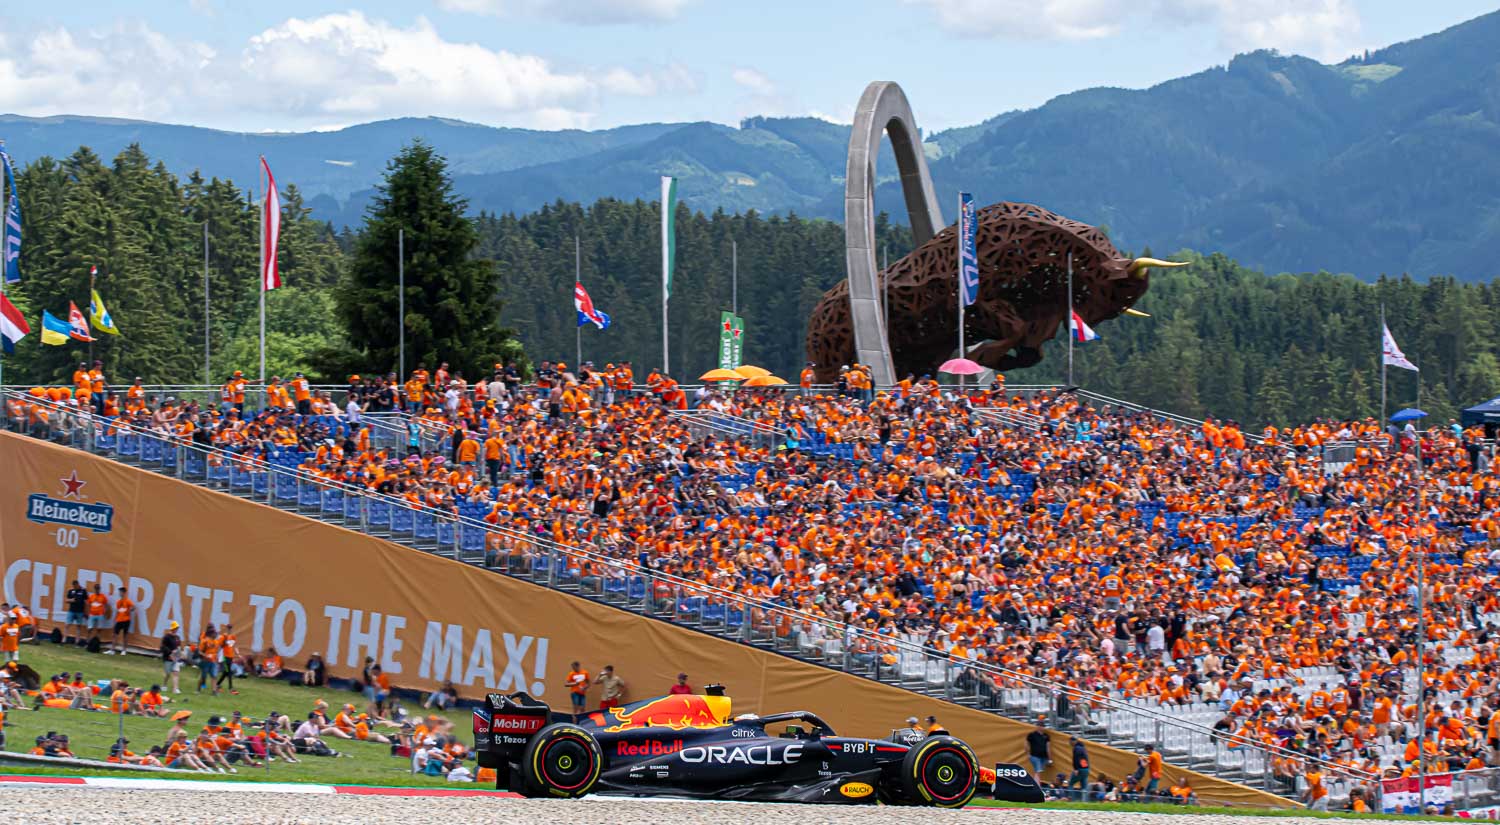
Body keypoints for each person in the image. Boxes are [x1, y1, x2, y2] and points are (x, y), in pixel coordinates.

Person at [109, 590, 133, 655]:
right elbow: (117, 611)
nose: (120, 593)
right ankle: (112, 650)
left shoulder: (128, 601)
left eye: (121, 592)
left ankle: (124, 650)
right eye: (120, 592)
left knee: (125, 635)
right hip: (119, 620)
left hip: (126, 620)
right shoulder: (118, 602)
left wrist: (130, 610)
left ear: (124, 593)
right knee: (114, 634)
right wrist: (114, 620)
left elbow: (133, 607)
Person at [63, 580, 88, 645]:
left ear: (78, 584)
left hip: (80, 611)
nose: (74, 587)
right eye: (73, 586)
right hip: (71, 610)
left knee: (78, 626)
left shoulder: (83, 591)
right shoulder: (71, 591)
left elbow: (86, 601)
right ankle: (64, 639)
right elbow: (66, 600)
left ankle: (77, 641)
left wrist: (85, 611)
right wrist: (71, 600)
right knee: (67, 624)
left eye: (75, 586)